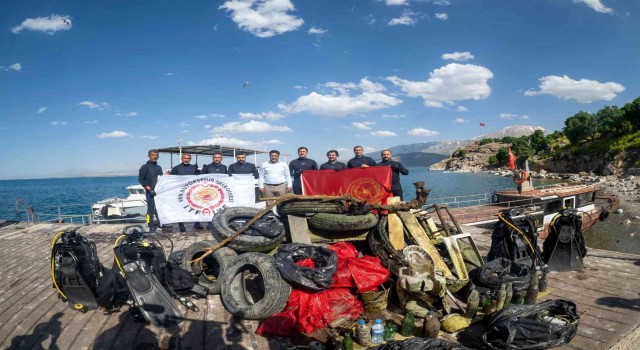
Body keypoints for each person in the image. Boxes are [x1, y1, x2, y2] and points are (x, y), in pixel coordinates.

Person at [170, 153, 203, 232]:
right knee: (180, 208)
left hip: (192, 192)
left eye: (188, 158)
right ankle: (181, 225)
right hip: (180, 192)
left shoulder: (194, 168)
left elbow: (199, 178)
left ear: (190, 159)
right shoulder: (176, 168)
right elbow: (171, 180)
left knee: (196, 206)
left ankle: (197, 223)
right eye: (185, 158)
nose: (186, 160)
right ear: (182, 158)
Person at [138, 149, 165, 233]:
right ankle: (150, 225)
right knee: (150, 209)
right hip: (150, 192)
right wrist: (148, 189)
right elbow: (141, 179)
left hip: (158, 192)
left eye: (156, 155)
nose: (155, 156)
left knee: (159, 209)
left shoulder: (158, 167)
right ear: (149, 156)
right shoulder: (145, 167)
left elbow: (161, 179)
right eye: (153, 155)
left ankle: (161, 223)